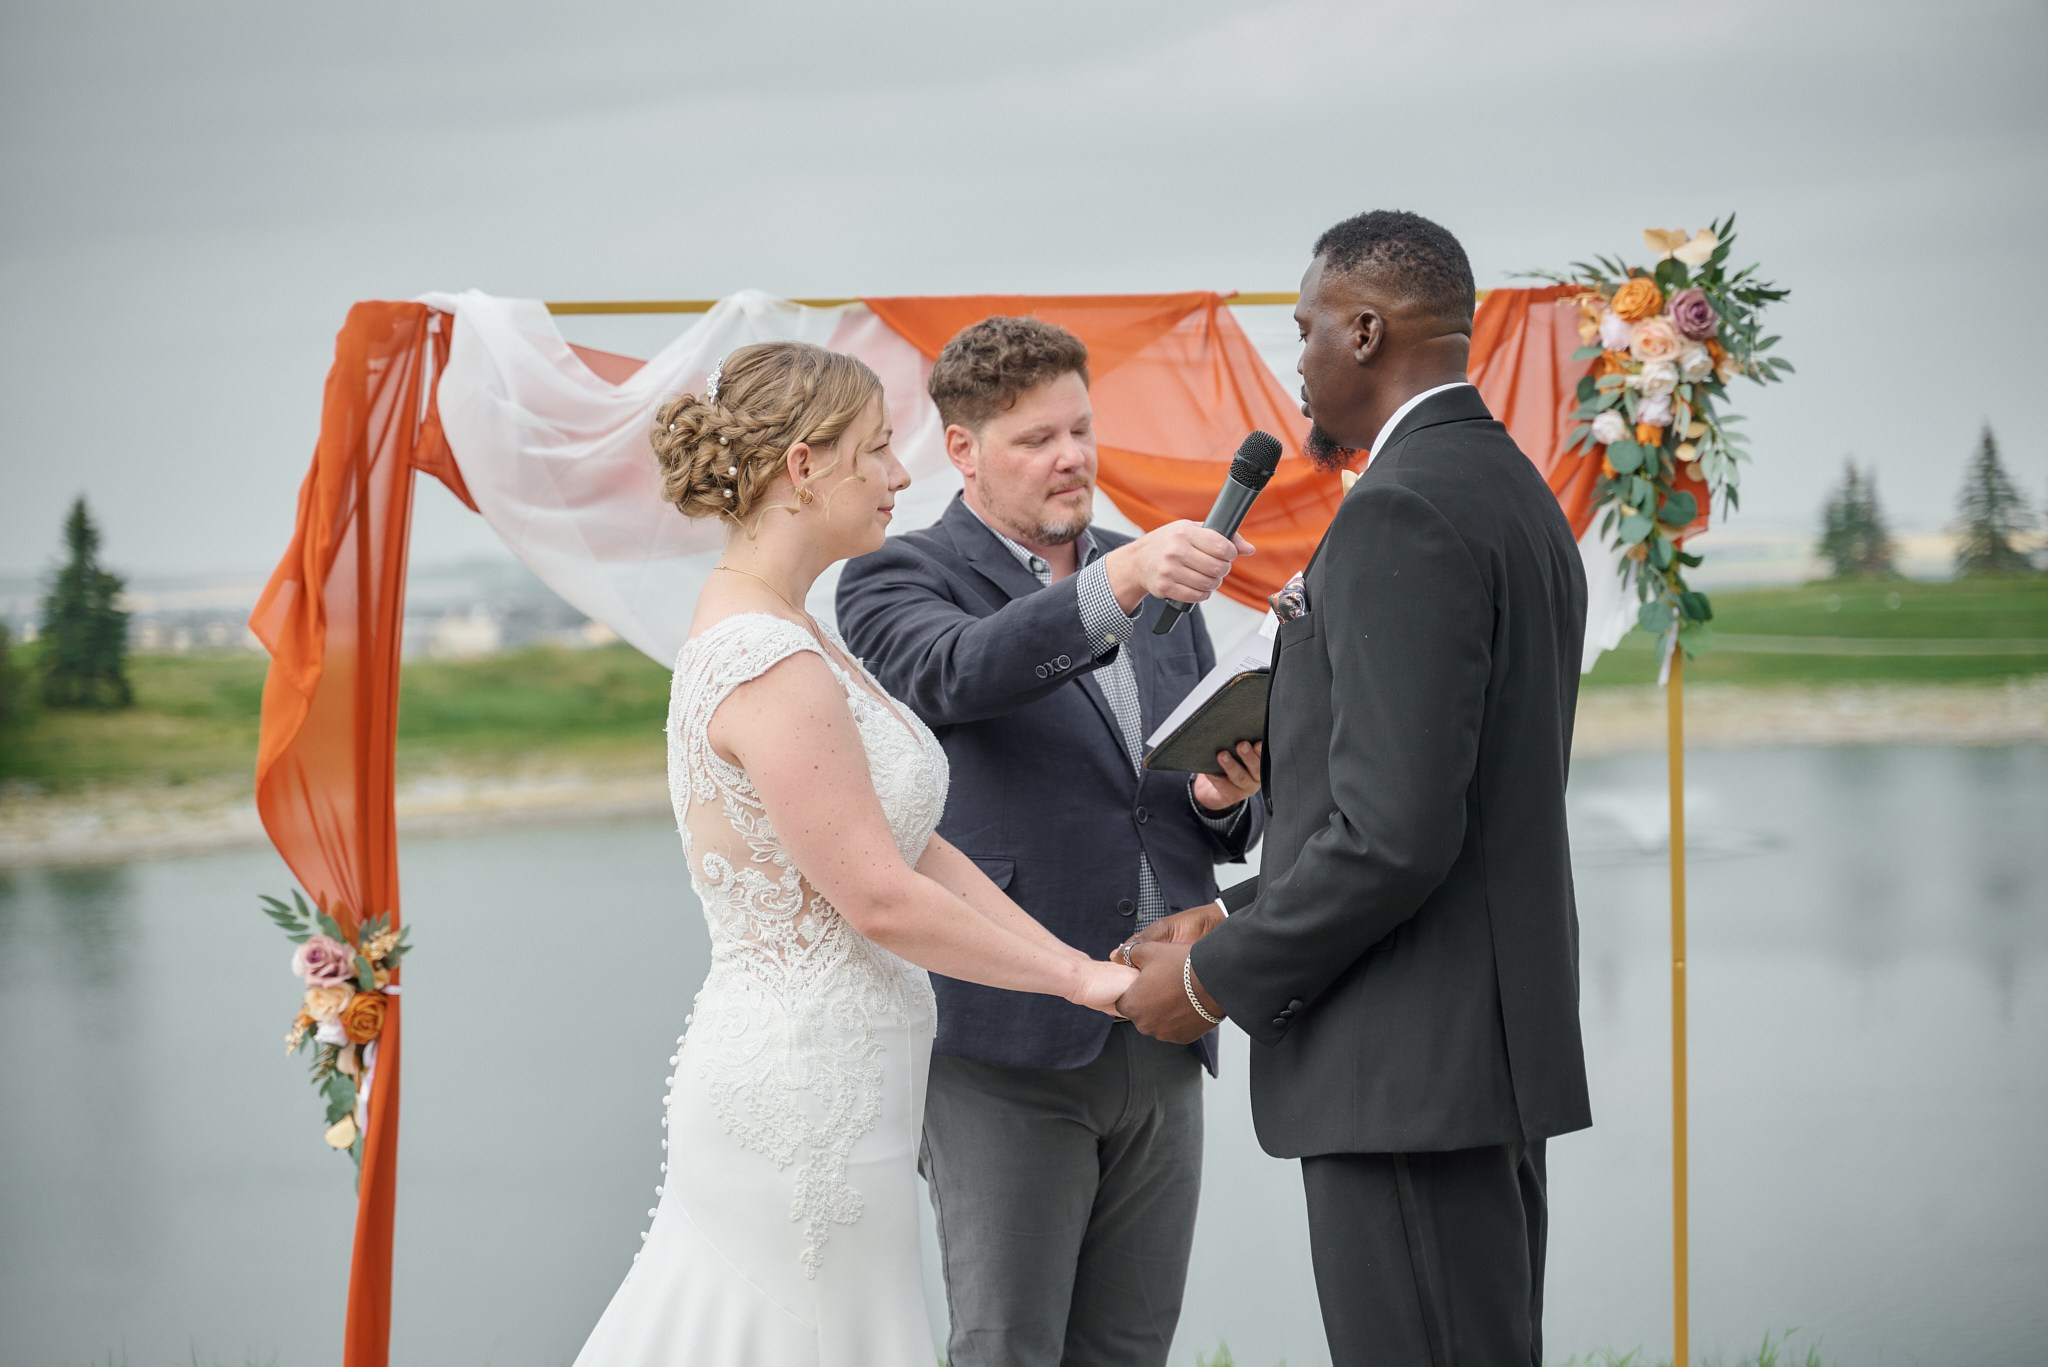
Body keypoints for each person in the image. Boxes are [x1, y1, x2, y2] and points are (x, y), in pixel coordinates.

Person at [569, 341, 1136, 1366]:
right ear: (802, 467)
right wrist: (1070, 973)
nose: (899, 474)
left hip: (852, 1078)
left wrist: (1079, 974)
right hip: (801, 1092)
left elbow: (911, 848)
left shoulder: (797, 627)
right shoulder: (765, 656)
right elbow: (875, 896)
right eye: (876, 450)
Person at [1115, 210, 1593, 1367]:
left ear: (1367, 328)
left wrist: (1214, 978)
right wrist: (1232, 903)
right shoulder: (1508, 488)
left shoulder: (1399, 508)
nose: (1298, 358)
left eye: (1306, 328)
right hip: (1475, 1053)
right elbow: (1440, 793)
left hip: (1403, 1065)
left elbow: (1395, 835)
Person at [836, 316, 1264, 1367]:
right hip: (1004, 1038)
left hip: (1166, 1016)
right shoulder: (893, 577)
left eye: (1079, 427)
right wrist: (1117, 585)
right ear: (965, 450)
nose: (1070, 455)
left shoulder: (1149, 567)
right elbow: (956, 673)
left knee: (1129, 1345)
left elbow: (1168, 792)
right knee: (1007, 1344)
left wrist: (1221, 796)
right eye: (1034, 439)